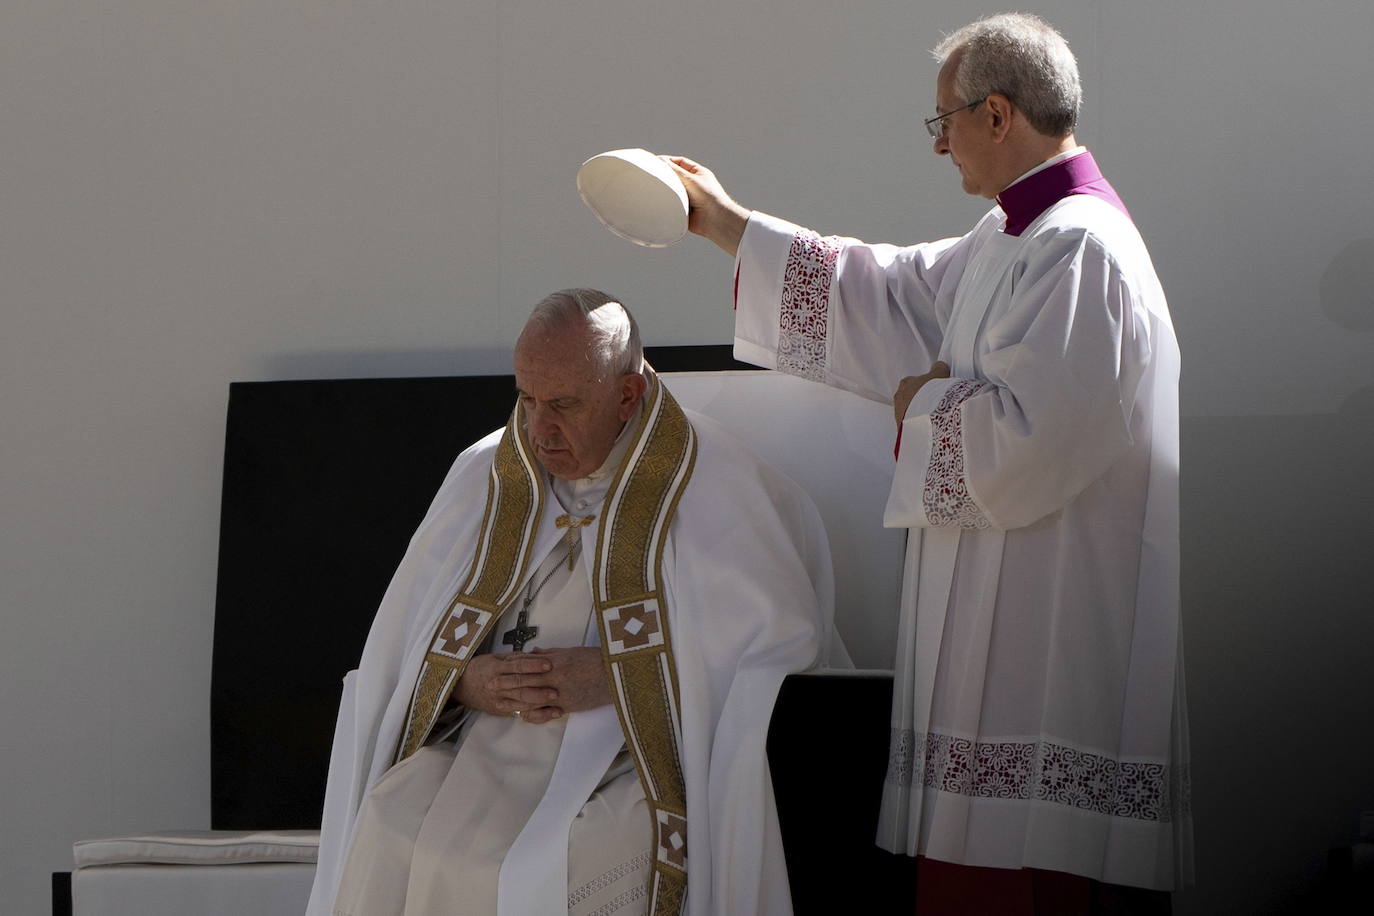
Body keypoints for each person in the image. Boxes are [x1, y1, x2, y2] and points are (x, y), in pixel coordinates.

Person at [663, 11, 1191, 914]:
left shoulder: (1083, 252)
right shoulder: (1011, 240)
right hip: (998, 640)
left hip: (1049, 652)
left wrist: (922, 404)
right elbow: (886, 290)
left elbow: (1032, 442)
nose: (939, 143)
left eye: (942, 119)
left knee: (1031, 884)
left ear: (997, 114)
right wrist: (728, 225)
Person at [305, 289, 838, 916]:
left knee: (559, 857)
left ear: (627, 395)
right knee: (391, 821)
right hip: (482, 743)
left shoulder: (712, 479)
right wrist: (466, 681)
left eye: (562, 405)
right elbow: (405, 647)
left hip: (631, 754)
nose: (538, 430)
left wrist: (620, 675)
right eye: (526, 400)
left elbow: (775, 660)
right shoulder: (487, 473)